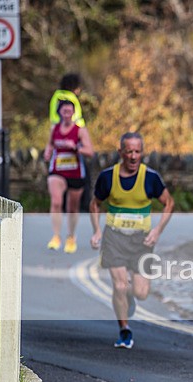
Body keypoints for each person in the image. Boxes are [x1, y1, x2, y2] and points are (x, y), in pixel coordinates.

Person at [89, 132, 174, 349]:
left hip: (142, 242)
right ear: (121, 152)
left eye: (138, 151)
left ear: (142, 152)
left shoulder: (151, 178)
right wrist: (97, 230)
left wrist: (157, 231)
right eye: (129, 152)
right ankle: (124, 330)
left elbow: (168, 203)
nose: (134, 157)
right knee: (118, 285)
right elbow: (95, 204)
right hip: (114, 238)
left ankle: (129, 294)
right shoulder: (108, 177)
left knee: (141, 292)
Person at [43, 100, 94, 253]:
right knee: (57, 201)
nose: (67, 115)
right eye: (64, 111)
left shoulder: (80, 131)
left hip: (75, 171)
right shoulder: (55, 129)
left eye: (70, 111)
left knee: (72, 207)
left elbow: (90, 151)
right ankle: (56, 236)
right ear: (60, 113)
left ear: (73, 113)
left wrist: (76, 148)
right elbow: (50, 144)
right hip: (57, 170)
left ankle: (71, 237)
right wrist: (48, 152)